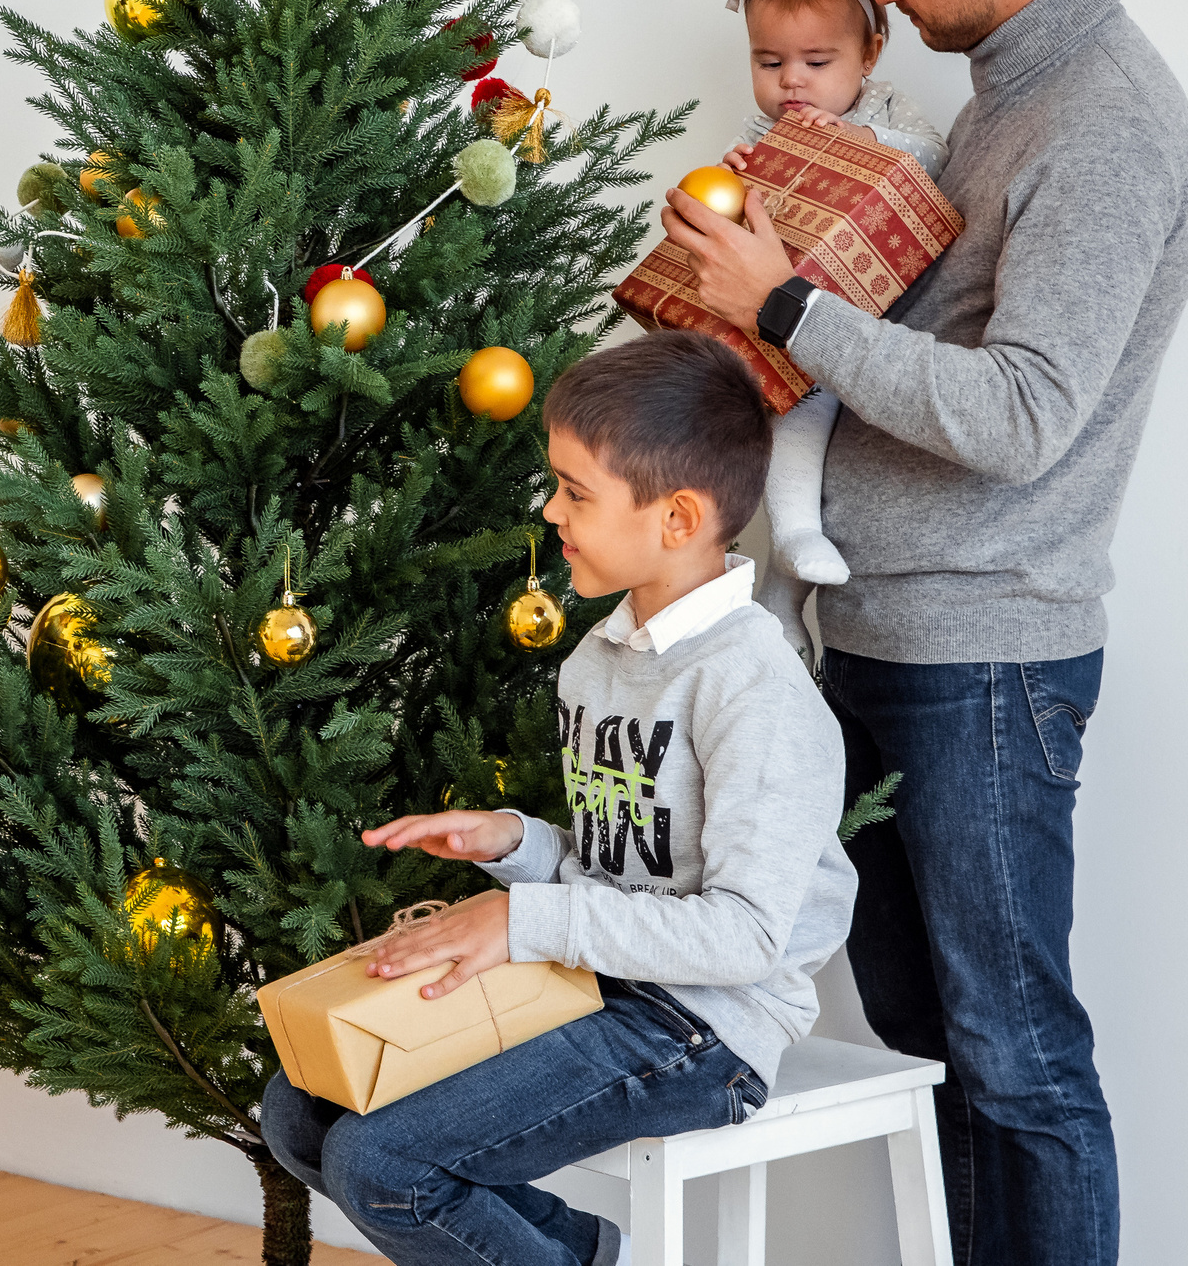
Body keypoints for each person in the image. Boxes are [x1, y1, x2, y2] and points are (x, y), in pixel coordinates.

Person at [661, 0, 1188, 1266]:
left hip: (988, 657)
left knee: (1017, 1057)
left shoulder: (1101, 122)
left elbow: (1024, 411)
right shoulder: (1003, 103)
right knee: (930, 1042)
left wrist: (785, 300)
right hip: (887, 635)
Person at [261, 331, 855, 1266]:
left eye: (576, 491)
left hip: (707, 1027)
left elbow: (743, 937)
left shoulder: (753, 689)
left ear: (677, 516)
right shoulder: (599, 661)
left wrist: (520, 920)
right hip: (599, 980)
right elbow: (618, 870)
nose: (551, 511)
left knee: (383, 1163)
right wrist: (516, 844)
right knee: (302, 1105)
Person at [716, 0, 947, 657]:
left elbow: (930, 156)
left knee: (824, 414)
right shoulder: (761, 134)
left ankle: (789, 573)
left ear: (870, 53)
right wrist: (730, 181)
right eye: (769, 62)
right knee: (795, 404)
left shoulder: (884, 112)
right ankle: (784, 568)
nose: (792, 83)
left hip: (871, 316)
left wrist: (851, 138)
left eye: (817, 64)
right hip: (791, 312)